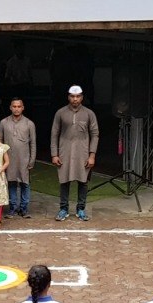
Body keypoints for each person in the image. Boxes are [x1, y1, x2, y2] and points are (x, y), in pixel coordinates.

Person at [50, 86, 98, 221]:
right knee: (64, 180)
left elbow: (95, 134)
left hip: (83, 153)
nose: (75, 99)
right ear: (68, 97)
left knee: (83, 181)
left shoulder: (89, 114)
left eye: (77, 96)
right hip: (64, 152)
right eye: (72, 96)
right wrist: (54, 154)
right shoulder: (60, 113)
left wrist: (92, 155)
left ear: (82, 97)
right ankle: (63, 209)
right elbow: (54, 134)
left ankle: (81, 209)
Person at [0, 98, 37, 219]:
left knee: (25, 184)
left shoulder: (29, 124)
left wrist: (32, 159)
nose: (16, 109)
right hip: (9, 158)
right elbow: (0, 142)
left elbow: (33, 143)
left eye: (19, 106)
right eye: (14, 106)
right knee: (11, 183)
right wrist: (1, 160)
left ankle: (24, 209)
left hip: (24, 159)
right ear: (10, 107)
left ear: (23, 108)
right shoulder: (4, 122)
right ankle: (12, 208)